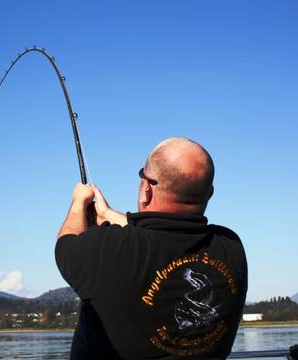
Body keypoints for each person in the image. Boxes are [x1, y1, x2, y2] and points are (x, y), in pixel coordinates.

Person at [56, 137, 248, 359]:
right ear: (210, 193)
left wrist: (78, 202)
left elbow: (66, 243)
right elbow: (165, 233)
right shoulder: (231, 246)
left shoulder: (109, 249)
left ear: (146, 188)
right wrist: (108, 214)